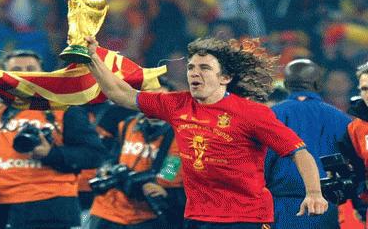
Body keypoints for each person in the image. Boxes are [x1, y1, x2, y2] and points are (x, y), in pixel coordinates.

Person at [84, 36, 328, 229]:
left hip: (245, 217)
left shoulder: (252, 113)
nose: (194, 73)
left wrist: (314, 192)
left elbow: (299, 151)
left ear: (225, 77)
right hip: (198, 216)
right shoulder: (176, 105)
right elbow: (121, 94)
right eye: (190, 67)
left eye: (204, 67)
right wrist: (91, 58)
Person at [0, 50, 106, 229]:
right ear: (4, 76)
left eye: (31, 68)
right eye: (17, 69)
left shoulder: (64, 109)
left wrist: (51, 154)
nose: (25, 73)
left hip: (48, 212)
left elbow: (95, 154)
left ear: (43, 74)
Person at [264, 59, 352, 229]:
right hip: (330, 210)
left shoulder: (269, 116)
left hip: (282, 210)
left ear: (287, 84)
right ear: (319, 84)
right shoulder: (342, 120)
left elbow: (259, 165)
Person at [88, 79, 185, 229]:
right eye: (149, 99)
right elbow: (111, 157)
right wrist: (107, 169)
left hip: (144, 216)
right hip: (107, 210)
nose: (154, 105)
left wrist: (158, 187)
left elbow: (169, 175)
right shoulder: (127, 124)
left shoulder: (178, 135)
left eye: (161, 99)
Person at [345, 62, 368, 226]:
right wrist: (360, 205)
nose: (367, 94)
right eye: (364, 89)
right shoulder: (355, 128)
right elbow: (357, 171)